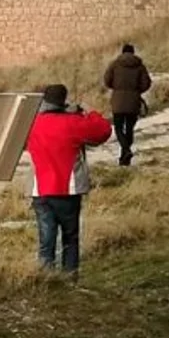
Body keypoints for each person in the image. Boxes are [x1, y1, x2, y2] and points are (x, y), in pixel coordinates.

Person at [24, 83, 113, 275]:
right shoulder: (73, 123)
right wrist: (89, 112)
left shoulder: (33, 124)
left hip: (39, 190)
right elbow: (103, 131)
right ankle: (69, 278)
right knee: (70, 238)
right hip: (68, 190)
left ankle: (45, 277)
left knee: (45, 240)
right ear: (63, 101)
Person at [102, 43, 153, 166]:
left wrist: (116, 88)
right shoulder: (140, 66)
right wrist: (137, 91)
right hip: (133, 101)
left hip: (118, 101)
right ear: (133, 53)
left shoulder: (114, 64)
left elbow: (107, 80)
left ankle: (126, 151)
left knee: (119, 128)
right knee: (129, 128)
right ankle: (125, 156)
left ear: (122, 52)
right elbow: (146, 83)